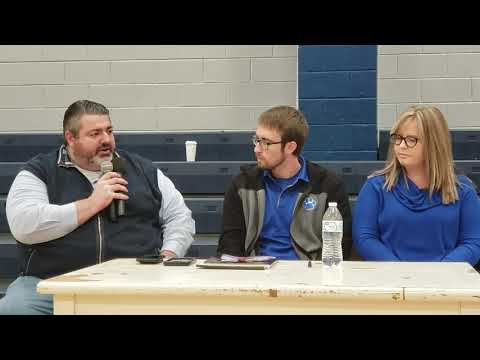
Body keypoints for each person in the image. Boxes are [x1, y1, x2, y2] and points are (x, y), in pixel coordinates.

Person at [0, 100, 195, 315]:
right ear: (70, 138)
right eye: (95, 134)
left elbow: (180, 218)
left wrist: (169, 254)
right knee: (14, 308)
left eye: (109, 131)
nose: (106, 140)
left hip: (135, 284)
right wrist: (92, 203)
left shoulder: (143, 170)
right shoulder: (40, 171)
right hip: (49, 285)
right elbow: (24, 225)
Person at [217, 105, 352, 260]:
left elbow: (340, 245)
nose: (257, 149)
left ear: (290, 147)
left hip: (308, 274)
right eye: (256, 140)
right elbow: (230, 242)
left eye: (265, 142)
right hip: (256, 274)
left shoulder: (328, 185)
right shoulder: (243, 184)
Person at [353, 106, 480, 266]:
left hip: (445, 282)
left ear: (433, 144)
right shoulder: (375, 187)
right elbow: (365, 238)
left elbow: (472, 243)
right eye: (397, 138)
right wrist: (401, 271)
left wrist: (440, 272)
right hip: (390, 280)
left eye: (411, 139)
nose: (401, 145)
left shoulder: (463, 192)